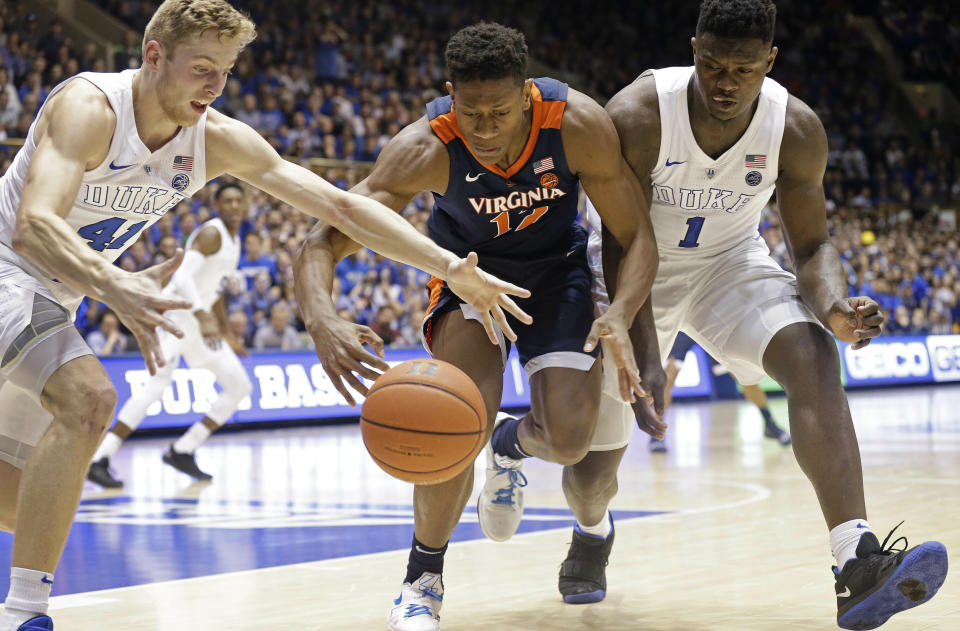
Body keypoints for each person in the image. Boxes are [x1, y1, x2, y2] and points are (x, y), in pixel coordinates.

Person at [0, 2, 532, 629]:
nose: (215, 86)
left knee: (17, 504)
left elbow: (343, 206)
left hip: (59, 294)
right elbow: (35, 227)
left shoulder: (216, 138)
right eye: (202, 68)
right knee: (89, 398)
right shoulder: (90, 110)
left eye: (225, 71)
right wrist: (114, 283)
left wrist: (451, 265)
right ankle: (25, 614)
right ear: (152, 55)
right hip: (11, 267)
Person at [582, 1, 948, 628]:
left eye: (743, 70)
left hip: (730, 263)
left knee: (812, 354)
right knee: (595, 467)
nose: (726, 83)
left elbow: (811, 246)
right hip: (634, 268)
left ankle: (853, 561)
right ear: (693, 47)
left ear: (770, 62)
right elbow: (623, 243)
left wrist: (833, 305)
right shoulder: (639, 113)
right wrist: (648, 357)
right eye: (712, 65)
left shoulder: (795, 128)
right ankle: (591, 530)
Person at [294, 22, 658, 631]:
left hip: (557, 275)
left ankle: (509, 445)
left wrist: (620, 310)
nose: (485, 129)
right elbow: (319, 242)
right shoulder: (425, 147)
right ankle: (422, 581)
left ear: (525, 96)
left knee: (569, 442)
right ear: (449, 95)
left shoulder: (576, 125)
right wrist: (323, 317)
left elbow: (637, 234)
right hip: (467, 278)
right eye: (471, 112)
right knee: (451, 413)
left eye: (499, 112)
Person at [87, 181, 253, 488]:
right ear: (216, 205)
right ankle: (100, 457)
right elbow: (183, 277)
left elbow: (213, 289)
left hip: (199, 321)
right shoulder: (211, 233)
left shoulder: (235, 238)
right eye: (227, 201)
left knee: (239, 386)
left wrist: (226, 331)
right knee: (156, 385)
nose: (233, 206)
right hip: (178, 315)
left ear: (245, 205)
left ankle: (183, 449)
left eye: (237, 201)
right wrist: (203, 317)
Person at [651, 331, 790, 453]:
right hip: (684, 324)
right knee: (668, 377)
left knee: (742, 375)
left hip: (709, 324)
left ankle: (770, 424)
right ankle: (657, 433)